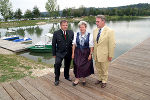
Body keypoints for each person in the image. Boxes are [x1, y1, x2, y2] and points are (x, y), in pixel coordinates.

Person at [93, 15, 115, 88]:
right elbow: (94, 43)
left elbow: (112, 44)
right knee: (98, 68)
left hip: (104, 54)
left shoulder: (110, 31)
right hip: (96, 54)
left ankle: (104, 81)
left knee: (104, 69)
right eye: (96, 21)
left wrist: (110, 55)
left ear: (103, 21)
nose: (96, 23)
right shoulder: (95, 30)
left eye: (98, 21)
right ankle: (100, 79)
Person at [72, 21, 94, 86]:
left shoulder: (90, 35)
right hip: (78, 52)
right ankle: (77, 79)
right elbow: (74, 44)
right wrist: (73, 53)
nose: (81, 29)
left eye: (83, 27)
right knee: (77, 65)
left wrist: (90, 54)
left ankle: (84, 78)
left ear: (86, 27)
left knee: (84, 66)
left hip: (86, 52)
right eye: (80, 27)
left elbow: (91, 46)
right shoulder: (76, 34)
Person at [52, 20, 74, 86]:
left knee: (67, 65)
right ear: (60, 25)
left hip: (68, 52)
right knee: (57, 64)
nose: (65, 26)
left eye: (66, 25)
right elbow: (53, 44)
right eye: (63, 25)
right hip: (59, 53)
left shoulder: (71, 32)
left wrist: (73, 52)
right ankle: (56, 79)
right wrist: (54, 54)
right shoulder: (56, 33)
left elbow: (73, 43)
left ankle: (66, 76)